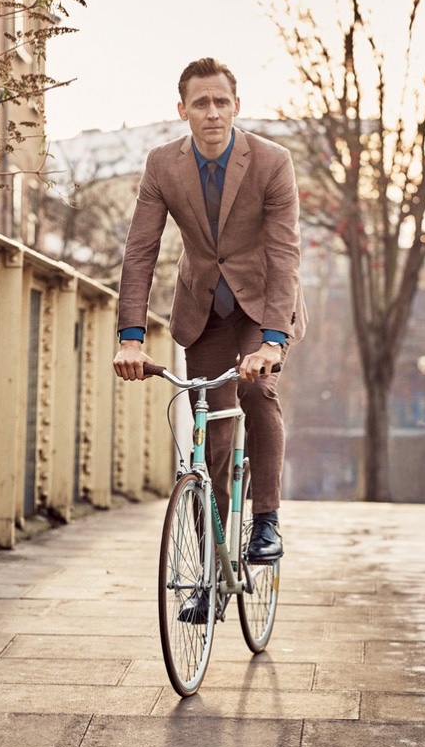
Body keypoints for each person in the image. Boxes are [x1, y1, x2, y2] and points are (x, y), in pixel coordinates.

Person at [113, 57, 306, 567]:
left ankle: (266, 520)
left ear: (236, 106)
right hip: (205, 312)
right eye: (201, 103)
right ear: (183, 110)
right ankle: (211, 571)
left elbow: (285, 253)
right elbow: (140, 250)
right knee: (212, 440)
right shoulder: (162, 165)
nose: (213, 113)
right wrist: (131, 336)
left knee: (257, 390)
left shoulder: (272, 162)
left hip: (263, 307)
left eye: (222, 102)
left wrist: (272, 341)